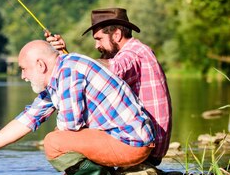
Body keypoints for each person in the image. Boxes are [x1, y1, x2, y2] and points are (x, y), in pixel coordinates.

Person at [0, 40, 156, 175]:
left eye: (23, 69)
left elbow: (70, 125)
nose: (23, 76)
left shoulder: (68, 72)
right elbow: (27, 119)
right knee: (58, 138)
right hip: (126, 139)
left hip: (130, 143)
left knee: (54, 142)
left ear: (40, 65)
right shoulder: (60, 74)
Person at [46, 8, 171, 166]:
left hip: (144, 147)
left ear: (117, 35)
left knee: (60, 138)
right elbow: (93, 74)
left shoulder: (134, 54)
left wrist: (68, 60)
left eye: (99, 39)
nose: (96, 45)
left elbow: (113, 68)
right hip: (143, 142)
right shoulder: (139, 50)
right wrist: (64, 55)